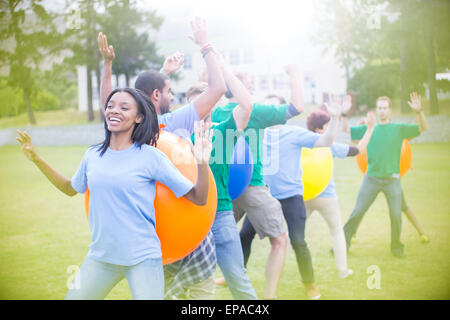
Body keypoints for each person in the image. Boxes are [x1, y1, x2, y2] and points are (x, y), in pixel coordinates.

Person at [16, 88, 213, 300]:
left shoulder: (151, 157)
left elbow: (199, 198)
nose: (114, 111)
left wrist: (201, 161)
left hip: (143, 259)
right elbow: (69, 188)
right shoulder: (92, 155)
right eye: (110, 106)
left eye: (124, 107)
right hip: (101, 257)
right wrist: (36, 159)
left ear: (138, 118)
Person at [213, 64, 304, 300]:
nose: (252, 86)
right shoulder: (254, 111)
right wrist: (294, 74)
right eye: (248, 82)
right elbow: (296, 107)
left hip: (221, 190)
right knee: (279, 240)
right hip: (251, 187)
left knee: (211, 240)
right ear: (241, 87)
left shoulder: (214, 113)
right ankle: (269, 297)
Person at [98, 17, 226, 140]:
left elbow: (107, 105)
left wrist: (107, 63)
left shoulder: (131, 123)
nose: (172, 97)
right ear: (156, 94)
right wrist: (205, 46)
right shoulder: (171, 122)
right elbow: (217, 89)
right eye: (168, 91)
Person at [341, 93, 428, 258]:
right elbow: (346, 129)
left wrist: (419, 111)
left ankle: (396, 248)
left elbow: (423, 127)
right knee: (358, 211)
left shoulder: (398, 128)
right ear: (377, 109)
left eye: (384, 108)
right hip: (371, 178)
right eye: (379, 108)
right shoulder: (370, 128)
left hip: (392, 180)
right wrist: (344, 114)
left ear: (390, 110)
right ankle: (343, 244)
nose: (382, 111)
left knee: (396, 215)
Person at [304, 108, 376, 279]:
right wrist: (371, 129)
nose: (330, 129)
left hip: (305, 197)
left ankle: (289, 267)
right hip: (326, 197)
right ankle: (343, 271)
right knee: (337, 232)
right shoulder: (329, 145)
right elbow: (358, 150)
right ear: (320, 129)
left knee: (296, 234)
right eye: (328, 126)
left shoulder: (301, 143)